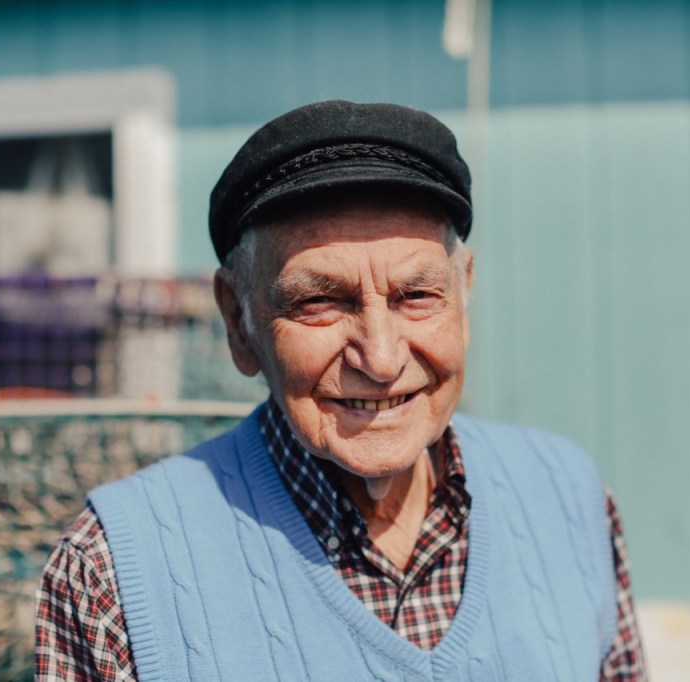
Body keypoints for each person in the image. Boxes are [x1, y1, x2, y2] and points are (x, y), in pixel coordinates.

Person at [35, 100, 646, 681]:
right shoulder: (109, 571)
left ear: (465, 292)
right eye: (320, 302)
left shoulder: (572, 499)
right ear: (238, 322)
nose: (380, 359)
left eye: (417, 296)